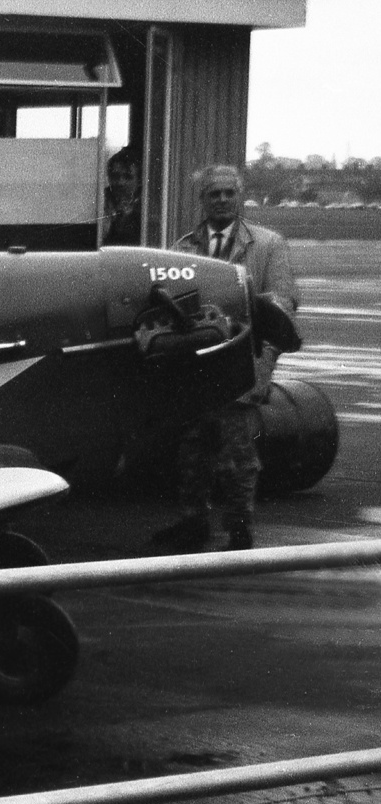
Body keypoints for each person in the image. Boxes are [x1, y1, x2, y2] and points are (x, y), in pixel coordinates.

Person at [151, 165, 298, 552]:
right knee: (191, 451)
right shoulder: (181, 248)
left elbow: (282, 306)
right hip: (198, 368)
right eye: (213, 194)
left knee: (238, 456)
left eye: (228, 193)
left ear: (239, 197)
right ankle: (192, 522)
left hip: (242, 366)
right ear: (202, 200)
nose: (221, 200)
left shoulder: (268, 245)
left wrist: (263, 367)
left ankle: (239, 531)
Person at [101, 146, 142, 246]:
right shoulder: (101, 200)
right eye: (115, 176)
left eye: (127, 177)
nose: (120, 182)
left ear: (139, 180)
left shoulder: (145, 205)